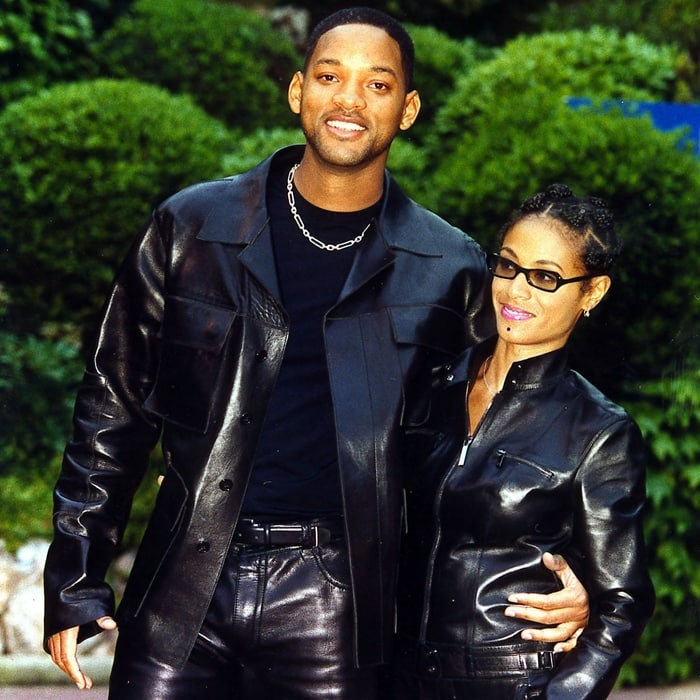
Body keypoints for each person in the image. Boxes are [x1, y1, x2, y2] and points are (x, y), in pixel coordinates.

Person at [43, 9, 588, 699]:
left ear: (409, 108)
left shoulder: (449, 265)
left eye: (378, 84)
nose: (350, 100)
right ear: (299, 91)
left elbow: (507, 427)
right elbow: (110, 401)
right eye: (331, 76)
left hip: (343, 600)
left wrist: (578, 575)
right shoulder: (192, 228)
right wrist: (74, 575)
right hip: (184, 581)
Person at [393, 184, 656, 699]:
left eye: (546, 277)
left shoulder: (599, 431)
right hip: (398, 678)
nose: (516, 291)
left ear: (593, 292)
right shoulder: (432, 385)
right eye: (508, 266)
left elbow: (622, 602)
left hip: (515, 682)